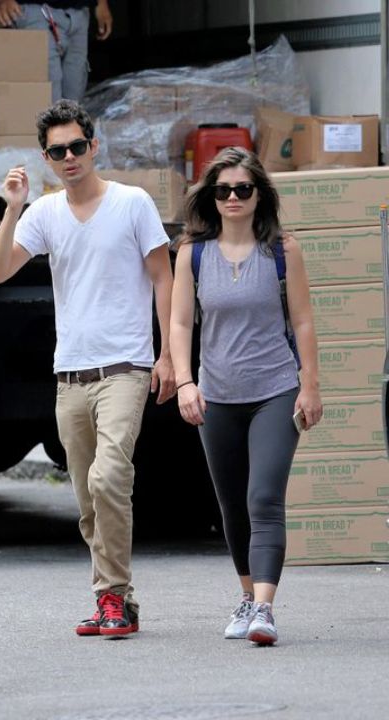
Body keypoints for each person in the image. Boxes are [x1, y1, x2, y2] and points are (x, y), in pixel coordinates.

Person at [0, 99, 175, 636]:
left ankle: (110, 597)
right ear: (47, 159)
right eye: (56, 151)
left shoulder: (132, 203)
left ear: (93, 146)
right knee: (88, 499)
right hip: (70, 376)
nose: (68, 157)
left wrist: (167, 357)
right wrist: (13, 207)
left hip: (126, 368)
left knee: (110, 476)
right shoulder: (44, 212)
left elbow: (164, 278)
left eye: (76, 147)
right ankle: (120, 600)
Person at [169, 146, 322, 646]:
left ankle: (264, 607)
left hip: (275, 391)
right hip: (216, 397)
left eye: (243, 189)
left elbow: (301, 320)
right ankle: (245, 595)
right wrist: (186, 383)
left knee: (263, 497)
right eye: (223, 190)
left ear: (259, 195)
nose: (232, 197)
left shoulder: (283, 250)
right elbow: (179, 321)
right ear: (210, 196)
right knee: (232, 504)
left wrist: (310, 384)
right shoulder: (193, 253)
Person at [0, 0, 113, 102]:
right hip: (36, 12)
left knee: (74, 93)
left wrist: (102, 3)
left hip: (79, 13)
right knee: (48, 93)